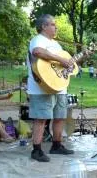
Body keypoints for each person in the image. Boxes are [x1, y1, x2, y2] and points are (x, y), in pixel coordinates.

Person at [27, 14, 74, 162]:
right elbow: (38, 52)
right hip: (41, 87)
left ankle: (57, 145)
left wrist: (70, 65)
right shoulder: (38, 40)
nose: (56, 27)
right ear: (44, 27)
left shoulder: (56, 44)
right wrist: (61, 59)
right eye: (53, 24)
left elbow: (59, 66)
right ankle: (36, 150)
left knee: (60, 116)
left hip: (59, 86)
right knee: (41, 118)